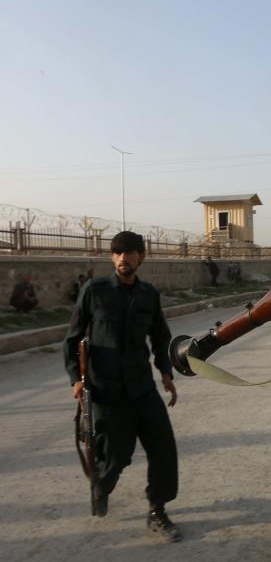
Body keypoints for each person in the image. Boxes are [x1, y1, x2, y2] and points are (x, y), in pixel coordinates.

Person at [63, 231, 182, 542]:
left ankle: (158, 510)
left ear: (140, 257)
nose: (122, 258)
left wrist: (166, 372)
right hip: (107, 392)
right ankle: (101, 487)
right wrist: (76, 378)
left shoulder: (148, 294)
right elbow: (73, 338)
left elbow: (160, 336)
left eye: (129, 253)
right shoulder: (95, 291)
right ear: (112, 257)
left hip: (142, 388)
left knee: (163, 450)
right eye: (117, 253)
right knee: (115, 457)